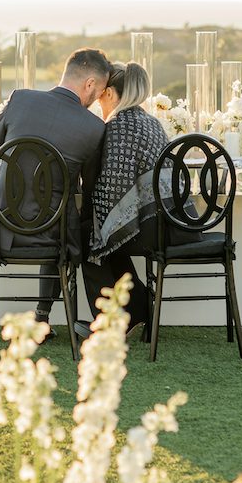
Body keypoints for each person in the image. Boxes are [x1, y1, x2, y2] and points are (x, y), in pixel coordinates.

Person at [0, 48, 112, 334]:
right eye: (98, 94)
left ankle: (40, 318)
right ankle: (43, 315)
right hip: (54, 238)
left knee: (51, 213)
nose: (96, 101)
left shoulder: (21, 99)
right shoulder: (94, 128)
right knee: (60, 218)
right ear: (90, 85)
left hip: (0, 230)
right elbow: (91, 188)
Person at [79, 61, 169, 338]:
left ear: (108, 94)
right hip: (171, 221)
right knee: (109, 244)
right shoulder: (150, 121)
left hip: (151, 227)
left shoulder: (118, 126)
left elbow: (111, 189)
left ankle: (109, 325)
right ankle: (137, 314)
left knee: (89, 243)